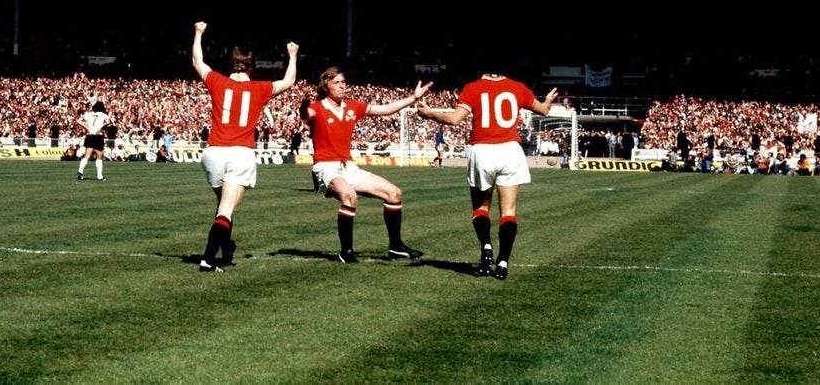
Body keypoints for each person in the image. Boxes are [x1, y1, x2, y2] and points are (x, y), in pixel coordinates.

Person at [417, 71, 558, 280]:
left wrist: (430, 114)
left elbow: (455, 119)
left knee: (481, 207)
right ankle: (502, 262)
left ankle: (486, 247)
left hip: (483, 150)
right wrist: (547, 100)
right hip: (510, 150)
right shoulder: (517, 86)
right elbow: (544, 110)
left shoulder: (473, 87)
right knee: (508, 211)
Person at [191, 21, 298, 273]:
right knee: (226, 208)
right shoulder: (259, 89)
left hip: (213, 153)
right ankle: (208, 259)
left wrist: (198, 34)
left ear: (232, 63)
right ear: (252, 66)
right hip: (240, 153)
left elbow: (197, 61)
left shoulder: (217, 81)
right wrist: (292, 55)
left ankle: (226, 248)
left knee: (222, 206)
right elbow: (289, 81)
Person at [300, 66, 432, 264]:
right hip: (325, 167)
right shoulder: (318, 107)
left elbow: (386, 110)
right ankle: (346, 252)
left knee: (393, 193)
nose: (342, 85)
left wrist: (413, 98)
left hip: (348, 167)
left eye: (343, 82)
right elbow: (306, 115)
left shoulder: (353, 106)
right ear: (325, 86)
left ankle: (396, 247)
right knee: (349, 196)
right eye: (337, 82)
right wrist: (303, 107)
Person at [76, 100, 110, 181]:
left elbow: (78, 121)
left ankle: (80, 171)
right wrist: (101, 128)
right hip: (98, 136)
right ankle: (99, 176)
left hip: (90, 135)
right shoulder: (104, 115)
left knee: (87, 155)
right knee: (99, 157)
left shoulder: (88, 114)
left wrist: (87, 128)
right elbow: (108, 122)